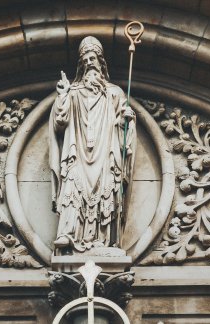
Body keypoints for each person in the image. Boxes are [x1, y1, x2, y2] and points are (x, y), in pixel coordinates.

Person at [49, 36, 136, 253]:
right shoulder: (73, 93)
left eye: (93, 59)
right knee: (73, 184)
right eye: (85, 60)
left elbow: (125, 128)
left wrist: (126, 119)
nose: (89, 63)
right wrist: (62, 96)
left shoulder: (115, 93)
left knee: (107, 188)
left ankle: (106, 241)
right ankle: (68, 234)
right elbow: (60, 122)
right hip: (77, 151)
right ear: (81, 66)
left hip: (107, 152)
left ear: (101, 63)